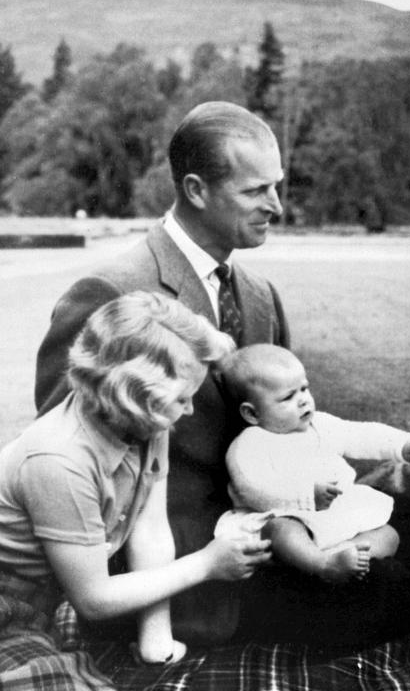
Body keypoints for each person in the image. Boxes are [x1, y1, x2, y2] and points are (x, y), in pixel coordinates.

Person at [35, 101, 289, 642]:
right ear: (195, 190)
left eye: (277, 186)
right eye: (255, 191)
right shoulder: (110, 293)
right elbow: (67, 459)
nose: (277, 205)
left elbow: (286, 427)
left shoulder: (262, 298)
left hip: (266, 536)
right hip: (162, 576)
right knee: (388, 595)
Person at [0, 292, 271, 689]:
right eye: (182, 399)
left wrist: (155, 636)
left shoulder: (145, 421)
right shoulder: (59, 459)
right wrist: (207, 564)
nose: (190, 410)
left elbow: (150, 531)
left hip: (48, 598)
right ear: (133, 397)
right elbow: (93, 600)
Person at [216, 344, 410, 583]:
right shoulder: (251, 443)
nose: (303, 401)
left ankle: (348, 555)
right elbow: (252, 487)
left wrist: (401, 444)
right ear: (252, 414)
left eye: (304, 389)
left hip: (330, 515)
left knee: (388, 535)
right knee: (282, 530)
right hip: (285, 514)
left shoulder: (320, 425)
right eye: (288, 397)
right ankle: (323, 566)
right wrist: (306, 495)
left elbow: (359, 434)